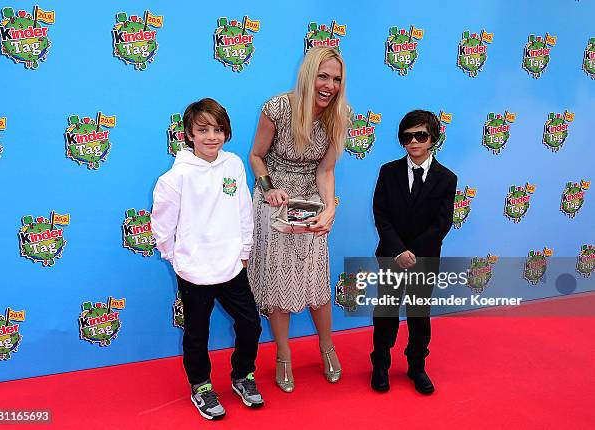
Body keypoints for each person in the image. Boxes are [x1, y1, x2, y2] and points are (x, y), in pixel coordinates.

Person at [151, 98, 263, 420]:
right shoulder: (175, 178)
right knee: (197, 333)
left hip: (232, 267)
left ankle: (243, 375)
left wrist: (244, 251)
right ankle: (200, 384)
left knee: (251, 324)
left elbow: (244, 210)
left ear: (226, 133)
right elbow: (161, 224)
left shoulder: (233, 165)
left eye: (218, 129)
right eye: (203, 130)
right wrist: (178, 259)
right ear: (189, 134)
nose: (211, 136)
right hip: (195, 272)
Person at [248, 46, 350, 392]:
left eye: (336, 79)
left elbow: (326, 168)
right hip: (274, 199)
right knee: (279, 282)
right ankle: (283, 354)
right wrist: (268, 189)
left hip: (311, 201)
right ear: (308, 75)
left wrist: (330, 207)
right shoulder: (276, 108)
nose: (329, 85)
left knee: (316, 279)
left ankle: (327, 346)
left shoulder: (340, 114)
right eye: (323, 76)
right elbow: (257, 156)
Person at [370, 110, 457, 394]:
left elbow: (442, 223)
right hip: (391, 256)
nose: (414, 142)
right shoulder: (388, 171)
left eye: (421, 135)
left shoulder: (446, 178)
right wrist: (398, 251)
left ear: (433, 138)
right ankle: (380, 365)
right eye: (408, 136)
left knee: (419, 314)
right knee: (386, 312)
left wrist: (413, 253)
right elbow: (380, 214)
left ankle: (417, 366)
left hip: (424, 258)